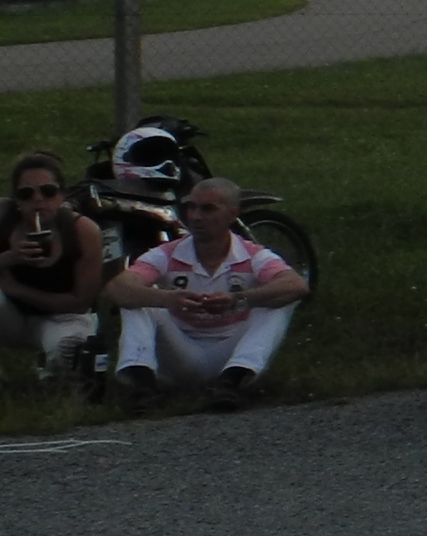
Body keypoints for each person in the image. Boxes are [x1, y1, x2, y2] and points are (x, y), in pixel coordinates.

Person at [106, 177, 309, 410]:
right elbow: (117, 287)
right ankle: (143, 386)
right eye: (191, 208)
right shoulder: (167, 253)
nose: (196, 217)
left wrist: (238, 299)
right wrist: (168, 299)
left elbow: (297, 285)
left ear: (232, 214)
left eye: (208, 209)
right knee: (137, 301)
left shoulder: (253, 255)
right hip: (181, 351)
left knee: (279, 301)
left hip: (231, 349)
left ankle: (232, 381)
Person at [1, 149, 106, 385]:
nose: (38, 199)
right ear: (16, 200)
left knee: (68, 362)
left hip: (64, 318)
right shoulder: (2, 218)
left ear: (62, 196)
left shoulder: (83, 231)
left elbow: (81, 302)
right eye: (26, 194)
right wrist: (7, 258)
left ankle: (50, 367)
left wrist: (15, 288)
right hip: (11, 315)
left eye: (48, 191)